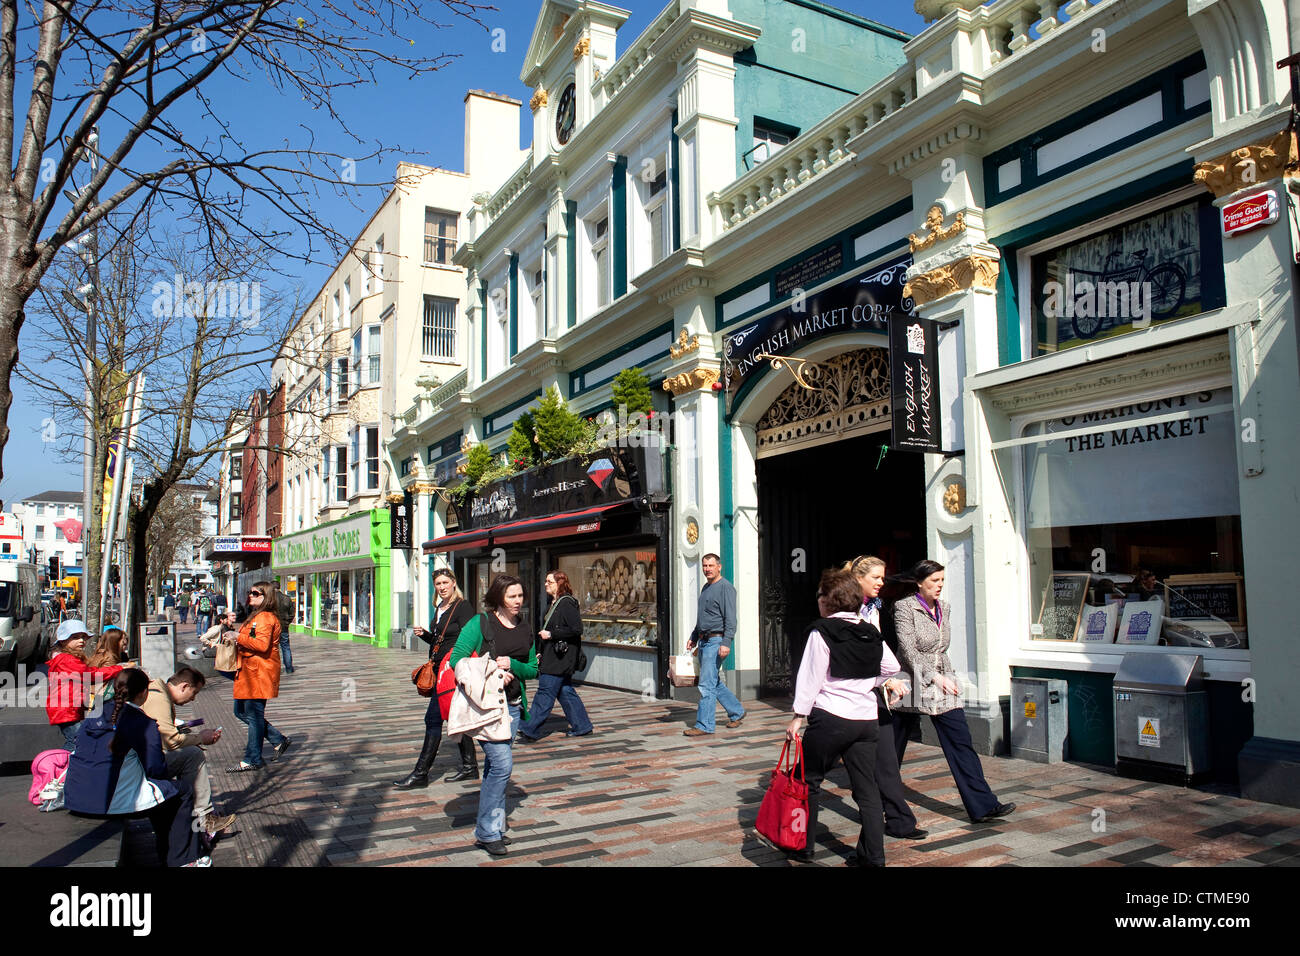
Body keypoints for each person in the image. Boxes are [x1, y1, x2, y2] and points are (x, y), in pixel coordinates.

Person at [785, 569, 903, 866]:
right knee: (867, 791)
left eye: (820, 595)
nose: (819, 601)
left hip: (831, 718)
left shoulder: (822, 631)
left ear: (828, 600)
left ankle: (803, 846)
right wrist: (869, 682)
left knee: (807, 780)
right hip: (865, 721)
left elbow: (810, 677)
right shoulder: (870, 630)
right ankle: (873, 856)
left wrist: (799, 716)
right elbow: (891, 666)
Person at [892, 559, 1015, 824]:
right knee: (893, 749)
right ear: (919, 582)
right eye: (935, 581)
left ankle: (983, 805)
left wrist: (947, 678)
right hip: (912, 682)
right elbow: (908, 650)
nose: (940, 586)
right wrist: (934, 677)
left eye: (942, 581)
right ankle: (883, 802)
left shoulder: (944, 608)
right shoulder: (904, 608)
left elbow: (941, 648)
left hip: (943, 683)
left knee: (961, 742)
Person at [64, 669, 210, 867]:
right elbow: (155, 768)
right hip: (110, 802)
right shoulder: (143, 723)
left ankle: (170, 853)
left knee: (161, 794)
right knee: (179, 791)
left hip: (76, 796)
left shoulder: (95, 714)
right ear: (143, 693)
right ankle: (183, 859)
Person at [448, 574, 538, 858]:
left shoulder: (525, 628)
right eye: (512, 596)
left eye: (520, 596)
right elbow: (457, 660)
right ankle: (487, 832)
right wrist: (493, 669)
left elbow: (533, 669)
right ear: (499, 598)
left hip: (513, 707)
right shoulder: (481, 623)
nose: (518, 601)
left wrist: (513, 665)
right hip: (488, 708)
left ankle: (496, 827)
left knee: (494, 768)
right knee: (502, 766)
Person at [846, 556, 927, 841]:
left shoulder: (872, 607)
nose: (882, 582)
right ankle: (789, 799)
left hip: (872, 694)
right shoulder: (845, 610)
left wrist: (890, 678)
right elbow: (855, 655)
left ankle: (899, 820)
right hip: (844, 699)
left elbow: (878, 647)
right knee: (816, 764)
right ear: (858, 578)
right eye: (876, 578)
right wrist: (887, 678)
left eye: (883, 577)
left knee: (885, 760)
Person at [393, 568, 477, 789]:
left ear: (454, 583)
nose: (441, 587)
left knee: (433, 719)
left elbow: (471, 636)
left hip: (452, 671)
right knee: (455, 717)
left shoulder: (463, 606)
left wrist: (457, 661)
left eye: (445, 583)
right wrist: (426, 636)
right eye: (438, 584)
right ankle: (470, 767)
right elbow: (441, 641)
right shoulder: (439, 608)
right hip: (440, 670)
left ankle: (421, 773)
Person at [140, 666, 237, 841]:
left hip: (140, 760)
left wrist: (192, 738)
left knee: (190, 753)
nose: (192, 699)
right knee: (193, 755)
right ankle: (204, 818)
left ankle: (199, 814)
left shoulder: (158, 692)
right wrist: (199, 738)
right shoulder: (159, 698)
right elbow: (169, 740)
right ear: (184, 686)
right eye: (194, 693)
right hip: (142, 766)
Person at [517, 569, 593, 741]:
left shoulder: (566, 603)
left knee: (545, 691)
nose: (546, 584)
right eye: (546, 581)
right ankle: (582, 726)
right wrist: (540, 652)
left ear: (559, 583)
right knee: (565, 692)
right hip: (553, 656)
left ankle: (530, 727)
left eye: (549, 582)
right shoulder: (554, 603)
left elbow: (576, 629)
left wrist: (552, 634)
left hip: (559, 658)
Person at [223, 581, 290, 772]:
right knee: (242, 712)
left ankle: (253, 758)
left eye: (255, 593)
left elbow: (261, 645)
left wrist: (238, 637)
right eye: (249, 592)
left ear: (265, 597)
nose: (250, 595)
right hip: (249, 671)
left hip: (258, 673)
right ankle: (278, 739)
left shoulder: (265, 618)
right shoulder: (257, 616)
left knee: (253, 715)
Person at [45, 620, 134, 750]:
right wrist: (117, 669)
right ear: (63, 641)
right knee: (77, 741)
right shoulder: (66, 660)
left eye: (83, 637)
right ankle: (62, 766)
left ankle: (68, 765)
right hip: (65, 709)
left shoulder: (70, 658)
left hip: (68, 708)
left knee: (78, 739)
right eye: (75, 637)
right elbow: (90, 675)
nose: (81, 640)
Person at [683, 553, 746, 737]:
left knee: (706, 685)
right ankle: (737, 712)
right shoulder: (706, 587)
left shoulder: (726, 588)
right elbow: (703, 616)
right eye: (704, 566)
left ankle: (704, 725)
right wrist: (694, 636)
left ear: (719, 567)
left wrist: (727, 642)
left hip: (716, 641)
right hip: (703, 641)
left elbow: (731, 619)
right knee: (713, 682)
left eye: (710, 565)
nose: (707, 569)